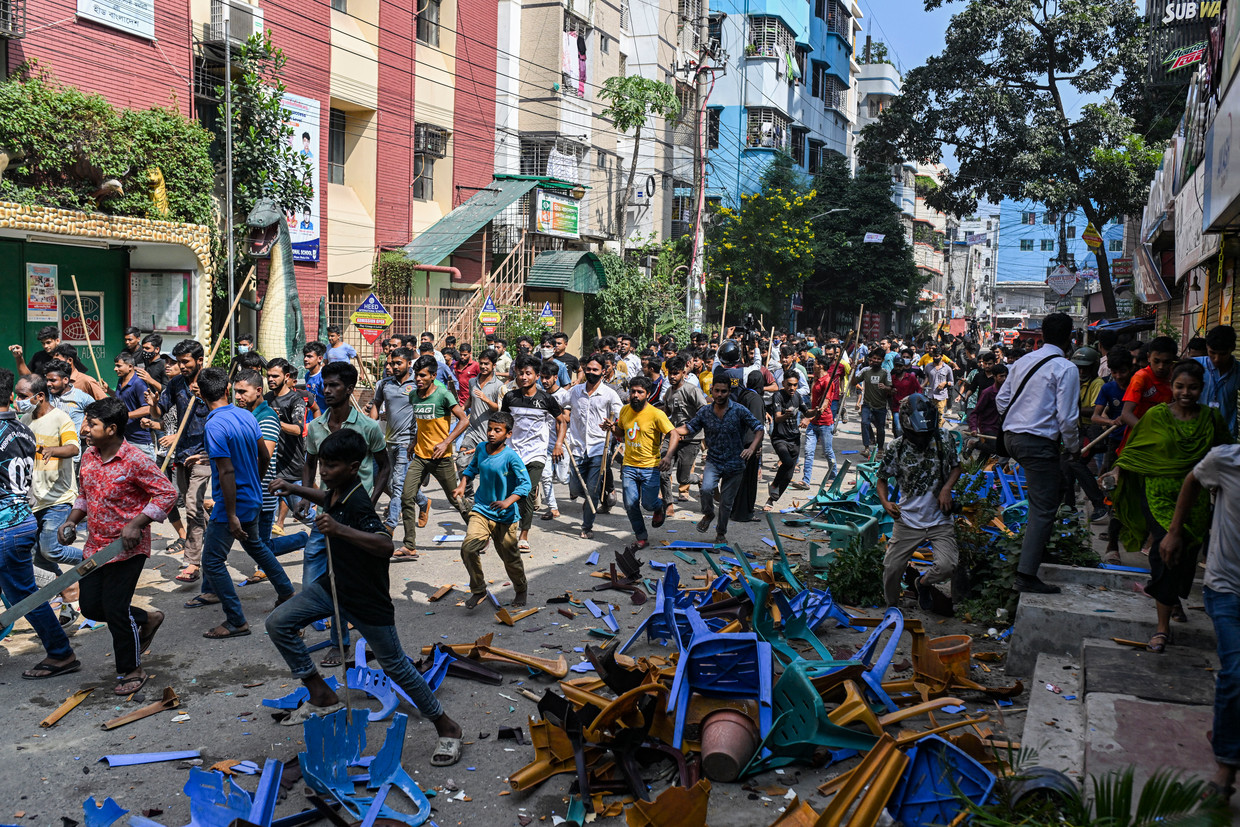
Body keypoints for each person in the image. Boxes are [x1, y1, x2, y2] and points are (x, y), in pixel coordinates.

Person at [265, 429, 465, 765]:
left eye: (330, 466)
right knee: (278, 623)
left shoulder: (358, 501)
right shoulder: (338, 489)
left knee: (397, 667)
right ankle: (321, 694)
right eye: (322, 465)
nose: (323, 471)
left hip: (366, 601)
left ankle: (447, 727)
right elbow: (325, 497)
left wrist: (339, 530)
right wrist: (293, 487)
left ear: (354, 467)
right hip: (332, 589)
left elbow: (385, 545)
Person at [57, 397, 177, 694]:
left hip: (127, 549)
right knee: (91, 606)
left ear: (111, 429)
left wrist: (136, 524)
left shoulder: (134, 459)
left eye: (91, 424)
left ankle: (131, 669)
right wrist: (71, 521)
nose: (84, 428)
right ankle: (148, 619)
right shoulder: (88, 456)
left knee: (116, 609)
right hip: (95, 548)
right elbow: (85, 495)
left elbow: (167, 494)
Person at [1112, 360, 1231, 653]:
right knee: (1164, 553)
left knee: (1187, 557)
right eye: (1179, 386)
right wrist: (1117, 471)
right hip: (1157, 496)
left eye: (1192, 387)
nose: (1185, 392)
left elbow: (1227, 453)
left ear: (1201, 389)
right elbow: (1136, 449)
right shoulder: (1156, 416)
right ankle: (1162, 628)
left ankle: (1174, 598)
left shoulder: (1211, 420)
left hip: (1197, 501)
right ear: (1172, 388)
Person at [1159, 438, 1240, 804]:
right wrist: (1175, 531)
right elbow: (1192, 479)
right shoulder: (1227, 459)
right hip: (1227, 586)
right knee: (1236, 672)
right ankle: (1225, 770)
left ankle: (1226, 730)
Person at [190, 367, 295, 638]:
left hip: (232, 504)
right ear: (226, 390)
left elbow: (225, 471)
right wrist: (254, 482)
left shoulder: (214, 424)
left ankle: (236, 620)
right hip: (253, 497)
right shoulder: (246, 416)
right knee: (257, 548)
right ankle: (286, 591)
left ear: (200, 394)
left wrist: (232, 513)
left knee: (212, 561)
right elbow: (263, 455)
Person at [0, 367, 79, 680]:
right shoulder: (23, 431)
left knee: (25, 595)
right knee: (25, 593)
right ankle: (61, 648)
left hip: (7, 526)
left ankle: (61, 652)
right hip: (21, 521)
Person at [995, 313, 1080, 595]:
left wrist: (1019, 421)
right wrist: (1073, 448)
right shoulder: (1066, 368)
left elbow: (1001, 399)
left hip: (1011, 438)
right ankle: (1026, 574)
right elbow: (1068, 419)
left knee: (1050, 495)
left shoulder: (1022, 361)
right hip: (1037, 443)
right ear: (1070, 338)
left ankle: (1035, 549)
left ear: (1041, 333)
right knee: (1043, 509)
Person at [878, 394, 962, 612]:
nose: (922, 439)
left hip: (939, 519)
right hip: (907, 519)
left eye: (926, 434)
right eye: (918, 434)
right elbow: (882, 480)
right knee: (892, 568)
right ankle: (893, 606)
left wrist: (946, 488)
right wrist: (886, 503)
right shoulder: (896, 447)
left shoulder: (944, 439)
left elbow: (956, 467)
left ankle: (922, 584)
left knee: (947, 566)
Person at [664, 371, 764, 544]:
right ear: (711, 390)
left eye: (723, 391)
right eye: (716, 391)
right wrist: (670, 430)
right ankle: (708, 513)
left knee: (726, 503)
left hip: (735, 463)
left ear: (729, 391)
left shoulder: (739, 410)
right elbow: (689, 428)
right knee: (705, 489)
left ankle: (720, 532)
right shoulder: (705, 413)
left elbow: (759, 428)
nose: (719, 395)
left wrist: (752, 448)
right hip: (714, 461)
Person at [15, 374, 83, 619]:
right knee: (39, 558)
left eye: (23, 396)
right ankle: (68, 599)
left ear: (39, 396)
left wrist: (53, 450)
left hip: (58, 497)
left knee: (52, 550)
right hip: (33, 499)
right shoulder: (24, 419)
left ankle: (94, 558)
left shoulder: (60, 418)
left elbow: (74, 448)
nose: (18, 400)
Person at [453, 412, 532, 608]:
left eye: (498, 430)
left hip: (506, 516)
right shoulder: (481, 448)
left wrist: (507, 502)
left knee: (510, 558)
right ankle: (478, 590)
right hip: (481, 509)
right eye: (490, 429)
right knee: (468, 548)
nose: (491, 433)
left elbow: (525, 484)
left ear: (508, 434)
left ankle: (521, 589)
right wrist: (463, 484)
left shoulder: (511, 457)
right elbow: (471, 468)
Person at [399, 355, 470, 555]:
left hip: (442, 458)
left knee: (455, 500)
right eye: (416, 375)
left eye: (423, 376)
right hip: (421, 457)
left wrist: (446, 442)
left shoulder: (443, 395)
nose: (418, 379)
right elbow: (421, 424)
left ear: (433, 376)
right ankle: (409, 546)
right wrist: (414, 442)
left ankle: (478, 532)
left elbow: (464, 421)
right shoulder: (414, 396)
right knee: (406, 497)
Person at [154, 339, 211, 585]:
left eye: (185, 362)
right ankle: (217, 537)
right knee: (195, 507)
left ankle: (193, 561)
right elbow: (159, 411)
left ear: (199, 360)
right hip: (182, 454)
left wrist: (206, 397)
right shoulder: (176, 383)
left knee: (191, 506)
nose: (181, 366)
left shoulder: (212, 380)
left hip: (206, 454)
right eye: (179, 362)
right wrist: (152, 405)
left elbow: (224, 409)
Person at [233, 370, 306, 562]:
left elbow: (264, 456)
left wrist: (250, 486)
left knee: (260, 546)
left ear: (258, 391)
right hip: (252, 490)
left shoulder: (266, 417)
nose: (238, 396)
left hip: (261, 492)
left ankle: (302, 539)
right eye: (236, 392)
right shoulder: (246, 414)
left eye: (242, 391)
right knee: (258, 545)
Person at [500, 355, 567, 551]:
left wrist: (558, 444)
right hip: (513, 452)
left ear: (537, 376)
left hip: (537, 453)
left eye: (528, 373)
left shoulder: (546, 399)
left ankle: (524, 533)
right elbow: (503, 421)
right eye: (520, 373)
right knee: (510, 491)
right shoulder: (510, 397)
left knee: (527, 492)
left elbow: (561, 420)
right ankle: (506, 526)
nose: (523, 377)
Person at [605, 375, 673, 553]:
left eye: (639, 392)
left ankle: (659, 507)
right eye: (632, 391)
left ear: (648, 394)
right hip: (629, 466)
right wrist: (612, 427)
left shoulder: (657, 414)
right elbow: (622, 431)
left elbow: (673, 434)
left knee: (648, 504)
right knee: (630, 504)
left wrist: (667, 457)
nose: (635, 395)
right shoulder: (625, 410)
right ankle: (641, 537)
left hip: (650, 467)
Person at [368, 348, 424, 535]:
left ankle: (391, 524)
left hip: (406, 443)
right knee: (384, 481)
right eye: (392, 363)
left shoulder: (417, 384)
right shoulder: (385, 384)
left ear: (409, 364)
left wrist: (417, 441)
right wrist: (371, 426)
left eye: (398, 363)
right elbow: (376, 405)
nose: (394, 366)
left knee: (399, 484)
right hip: (387, 441)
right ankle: (423, 501)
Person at [566, 354, 622, 540]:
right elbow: (560, 403)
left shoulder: (609, 394)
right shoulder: (575, 392)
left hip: (599, 447)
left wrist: (613, 425)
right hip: (577, 447)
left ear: (603, 372)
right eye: (588, 369)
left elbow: (622, 415)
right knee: (574, 487)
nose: (591, 373)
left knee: (592, 489)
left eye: (595, 370)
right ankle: (596, 495)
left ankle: (587, 525)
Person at [1060, 346, 1108, 521]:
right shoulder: (1074, 382)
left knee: (1075, 463)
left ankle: (1099, 505)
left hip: (1092, 432)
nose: (1081, 372)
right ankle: (1069, 507)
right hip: (1077, 431)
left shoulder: (1097, 383)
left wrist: (1071, 409)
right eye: (1078, 368)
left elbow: (1095, 410)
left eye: (1085, 368)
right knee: (1066, 466)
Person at [659, 356, 707, 513]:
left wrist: (692, 427)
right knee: (663, 470)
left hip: (691, 438)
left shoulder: (691, 390)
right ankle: (668, 503)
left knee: (683, 478)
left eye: (675, 373)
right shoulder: (669, 392)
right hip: (673, 435)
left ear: (683, 373)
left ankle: (700, 478)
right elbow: (667, 412)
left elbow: (703, 410)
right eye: (670, 373)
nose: (672, 377)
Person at [765, 370, 807, 511]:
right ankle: (774, 484)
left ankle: (771, 500)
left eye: (795, 385)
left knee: (789, 476)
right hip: (779, 438)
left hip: (794, 438)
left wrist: (816, 411)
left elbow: (808, 412)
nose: (792, 388)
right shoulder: (778, 396)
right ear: (783, 383)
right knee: (787, 462)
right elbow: (777, 418)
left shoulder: (798, 397)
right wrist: (785, 415)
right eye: (789, 385)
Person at [796, 357, 838, 490]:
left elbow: (824, 405)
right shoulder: (816, 379)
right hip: (813, 423)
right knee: (808, 451)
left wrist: (808, 418)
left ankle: (833, 476)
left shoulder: (828, 382)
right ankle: (806, 480)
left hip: (825, 423)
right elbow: (814, 401)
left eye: (815, 363)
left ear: (820, 366)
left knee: (827, 451)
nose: (812, 365)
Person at [731, 371, 767, 523]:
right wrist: (756, 446)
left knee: (740, 479)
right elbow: (757, 425)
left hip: (740, 442)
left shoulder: (743, 395)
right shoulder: (756, 399)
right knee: (749, 480)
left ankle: (736, 510)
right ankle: (745, 513)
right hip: (750, 444)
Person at [537, 362, 571, 521]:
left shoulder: (564, 395)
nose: (544, 381)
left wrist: (555, 408)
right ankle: (553, 508)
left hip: (562, 442)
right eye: (542, 378)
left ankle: (576, 486)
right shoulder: (540, 395)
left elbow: (567, 418)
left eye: (547, 378)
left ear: (555, 377)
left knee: (564, 478)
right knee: (546, 475)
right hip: (544, 443)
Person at [113, 351, 155, 463]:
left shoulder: (139, 383)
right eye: (115, 366)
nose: (115, 369)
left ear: (130, 366)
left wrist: (125, 416)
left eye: (119, 366)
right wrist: (108, 390)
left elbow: (147, 408)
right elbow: (124, 399)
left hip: (140, 440)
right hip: (124, 439)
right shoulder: (120, 381)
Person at [1196, 325, 1238, 437]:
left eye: (1223, 354)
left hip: (1226, 435)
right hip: (1197, 434)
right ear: (1207, 347)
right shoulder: (1194, 366)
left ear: (1232, 348)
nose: (1217, 359)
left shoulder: (1238, 371)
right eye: (1212, 353)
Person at [853, 349, 891, 459]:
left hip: (880, 405)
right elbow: (854, 382)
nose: (876, 360)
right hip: (867, 404)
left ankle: (880, 449)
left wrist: (885, 387)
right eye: (874, 358)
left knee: (880, 428)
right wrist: (853, 370)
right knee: (864, 423)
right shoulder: (865, 371)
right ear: (870, 359)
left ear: (882, 360)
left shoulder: (885, 372)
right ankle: (866, 448)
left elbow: (891, 388)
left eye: (878, 359)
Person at [966, 362, 1007, 456]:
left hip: (1000, 427)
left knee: (985, 455)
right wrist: (973, 427)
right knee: (996, 448)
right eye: (1001, 376)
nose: (1004, 379)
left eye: (1006, 376)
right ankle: (973, 443)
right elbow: (975, 412)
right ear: (995, 377)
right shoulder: (987, 393)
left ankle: (978, 469)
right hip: (987, 426)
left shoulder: (1007, 392)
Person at [44, 359, 93, 437]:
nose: (48, 384)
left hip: (72, 447)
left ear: (65, 380)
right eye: (47, 380)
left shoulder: (82, 397)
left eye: (52, 380)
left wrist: (86, 424)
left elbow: (98, 414)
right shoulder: (44, 397)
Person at [303, 342, 327, 416]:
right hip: (311, 418)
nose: (305, 359)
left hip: (322, 419)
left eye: (309, 356)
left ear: (319, 359)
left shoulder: (323, 377)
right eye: (305, 356)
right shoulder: (307, 375)